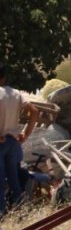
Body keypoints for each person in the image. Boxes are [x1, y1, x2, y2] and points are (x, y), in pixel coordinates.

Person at [0, 64, 37, 215]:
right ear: (4, 77)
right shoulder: (16, 93)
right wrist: (25, 133)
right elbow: (35, 111)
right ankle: (20, 210)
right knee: (13, 177)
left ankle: (1, 212)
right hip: (13, 141)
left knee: (0, 179)